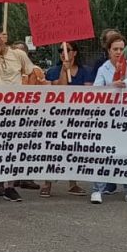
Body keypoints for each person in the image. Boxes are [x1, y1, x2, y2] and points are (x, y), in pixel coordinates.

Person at [0, 25, 35, 203]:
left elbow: (31, 72)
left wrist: (28, 94)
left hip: (14, 108)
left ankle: (9, 186)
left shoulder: (18, 55)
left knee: (13, 148)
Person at [91, 32, 127, 204]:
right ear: (108, 51)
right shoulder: (103, 69)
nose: (119, 52)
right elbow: (95, 91)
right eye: (115, 49)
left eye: (122, 49)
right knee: (103, 154)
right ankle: (97, 189)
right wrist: (112, 86)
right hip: (108, 118)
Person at [42, 41, 94, 198]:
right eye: (60, 50)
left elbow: (89, 94)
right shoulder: (53, 71)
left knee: (73, 149)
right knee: (52, 150)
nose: (63, 53)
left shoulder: (85, 71)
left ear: (75, 53)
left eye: (67, 50)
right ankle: (47, 184)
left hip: (77, 117)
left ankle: (73, 184)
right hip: (56, 116)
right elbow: (59, 91)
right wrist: (64, 72)